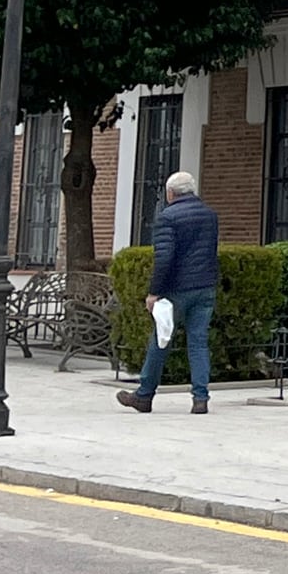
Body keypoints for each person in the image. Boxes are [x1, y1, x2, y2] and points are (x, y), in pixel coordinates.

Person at [119, 172, 218, 415]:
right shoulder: (210, 216)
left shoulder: (168, 217)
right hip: (205, 287)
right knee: (198, 343)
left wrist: (154, 293)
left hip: (176, 290)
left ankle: (144, 396)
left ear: (170, 193)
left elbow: (163, 258)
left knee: (160, 340)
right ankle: (200, 398)